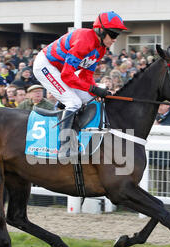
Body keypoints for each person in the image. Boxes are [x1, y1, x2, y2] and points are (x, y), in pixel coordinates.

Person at [32, 11, 127, 159]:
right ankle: (64, 145)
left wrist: (97, 91)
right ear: (101, 31)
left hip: (60, 69)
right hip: (45, 65)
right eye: (113, 34)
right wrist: (93, 89)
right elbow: (67, 76)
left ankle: (76, 134)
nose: (115, 39)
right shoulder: (84, 41)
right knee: (73, 101)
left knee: (90, 98)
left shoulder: (100, 49)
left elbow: (86, 76)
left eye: (118, 35)